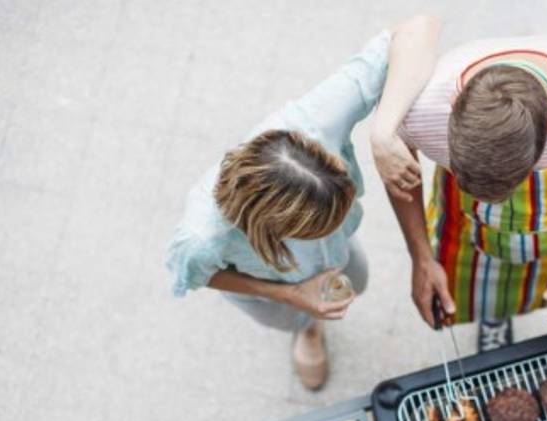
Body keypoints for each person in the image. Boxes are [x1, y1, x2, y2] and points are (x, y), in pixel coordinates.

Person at [166, 15, 442, 389]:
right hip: (268, 286)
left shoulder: (313, 123)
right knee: (292, 317)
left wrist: (382, 131)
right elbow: (198, 275)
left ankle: (314, 318)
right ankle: (308, 331)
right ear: (273, 228)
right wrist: (288, 294)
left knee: (356, 279)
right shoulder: (202, 237)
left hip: (334, 260)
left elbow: (419, 28)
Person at [372, 34, 547, 351]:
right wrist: (421, 256)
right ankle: (493, 318)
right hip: (467, 231)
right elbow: (396, 167)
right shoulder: (419, 107)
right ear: (454, 105)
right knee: (483, 297)